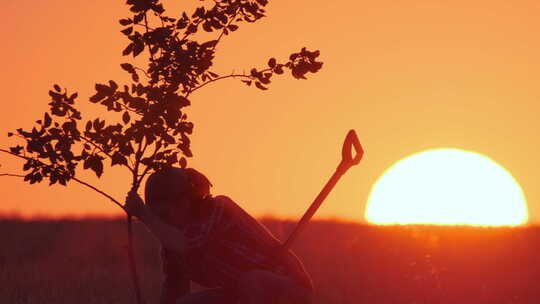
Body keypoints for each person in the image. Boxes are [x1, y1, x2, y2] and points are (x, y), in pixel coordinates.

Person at [124, 167, 313, 304]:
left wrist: (144, 215)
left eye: (164, 215)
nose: (161, 222)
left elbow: (189, 245)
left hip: (286, 287)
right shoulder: (171, 244)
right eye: (157, 216)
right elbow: (174, 289)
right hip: (240, 293)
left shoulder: (218, 209)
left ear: (185, 201)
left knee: (253, 280)